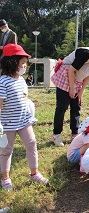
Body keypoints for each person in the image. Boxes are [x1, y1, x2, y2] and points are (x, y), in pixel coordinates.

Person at [0, 44, 48, 191]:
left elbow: (23, 98)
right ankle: (5, 178)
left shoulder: (21, 80)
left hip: (23, 121)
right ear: (12, 62)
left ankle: (34, 174)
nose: (25, 66)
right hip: (7, 124)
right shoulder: (3, 82)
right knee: (6, 150)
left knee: (32, 144)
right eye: (23, 63)